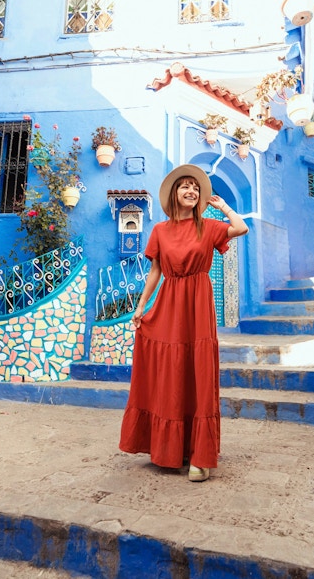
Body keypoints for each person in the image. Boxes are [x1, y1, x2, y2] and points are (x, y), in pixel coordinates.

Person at [119, 163, 248, 482]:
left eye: (195, 187)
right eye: (184, 186)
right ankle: (169, 449)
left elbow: (241, 228)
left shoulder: (209, 226)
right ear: (174, 194)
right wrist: (140, 306)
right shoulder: (160, 231)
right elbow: (155, 272)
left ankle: (200, 458)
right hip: (168, 304)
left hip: (198, 303)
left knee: (198, 371)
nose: (190, 191)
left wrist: (224, 206)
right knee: (171, 370)